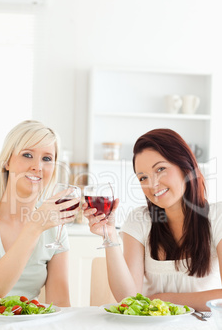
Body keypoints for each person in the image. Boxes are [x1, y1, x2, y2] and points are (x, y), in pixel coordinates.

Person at [83, 128, 222, 311]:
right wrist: (110, 237)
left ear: (185, 166)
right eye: (143, 178)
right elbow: (127, 299)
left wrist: (162, 299)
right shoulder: (140, 220)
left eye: (161, 169)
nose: (152, 184)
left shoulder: (216, 217)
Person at [0, 120, 80, 306]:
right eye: (27, 155)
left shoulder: (53, 226)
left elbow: (60, 304)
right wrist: (35, 226)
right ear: (6, 162)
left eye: (47, 159)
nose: (38, 166)